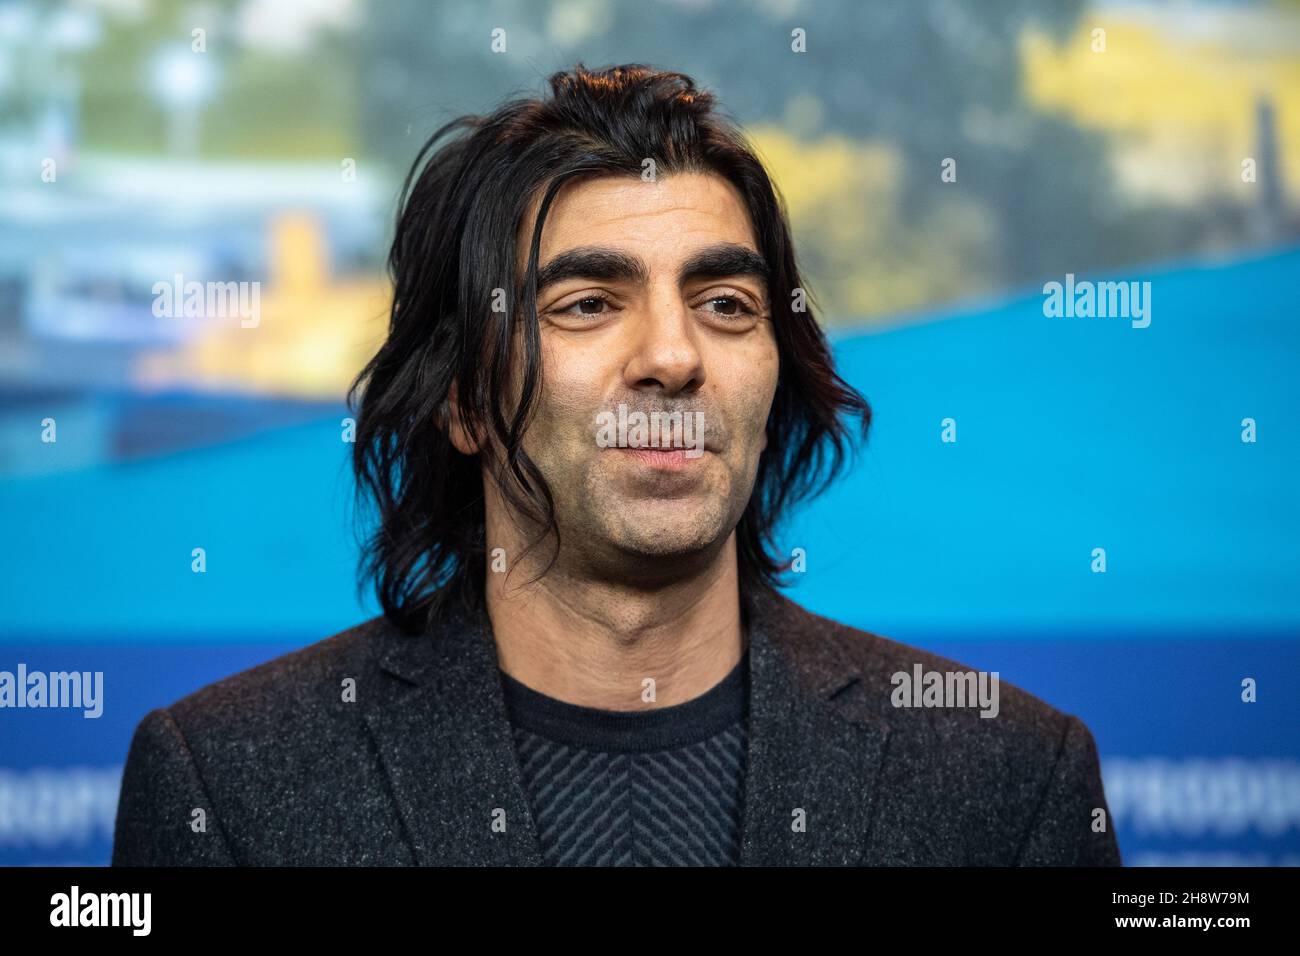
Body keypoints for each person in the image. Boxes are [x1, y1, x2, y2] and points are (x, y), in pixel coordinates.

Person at [112, 63, 1121, 867]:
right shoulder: (228, 784)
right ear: (460, 394)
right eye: (587, 303)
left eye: (726, 305)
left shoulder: (1006, 779)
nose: (674, 358)